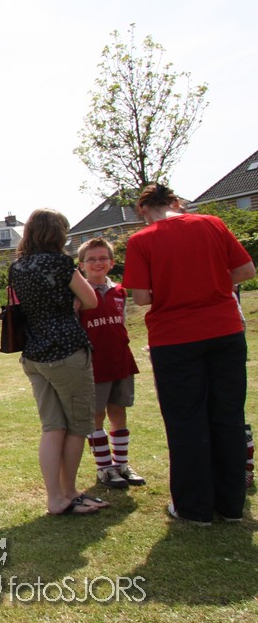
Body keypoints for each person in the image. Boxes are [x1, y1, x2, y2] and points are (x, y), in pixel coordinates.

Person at [123, 183, 255, 524]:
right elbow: (246, 271)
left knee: (186, 420)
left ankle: (195, 508)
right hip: (224, 330)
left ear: (143, 210)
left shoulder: (141, 240)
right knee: (228, 415)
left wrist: (175, 289)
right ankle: (231, 505)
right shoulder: (212, 223)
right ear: (176, 202)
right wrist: (211, 283)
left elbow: (141, 297)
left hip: (175, 338)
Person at [8, 209, 103, 516]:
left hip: (33, 354)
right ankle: (69, 492)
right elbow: (91, 300)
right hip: (66, 351)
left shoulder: (17, 267)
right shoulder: (61, 264)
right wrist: (70, 302)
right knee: (77, 426)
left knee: (52, 427)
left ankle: (55, 497)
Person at [76, 238, 145, 490]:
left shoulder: (119, 291)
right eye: (91, 259)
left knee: (119, 410)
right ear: (81, 265)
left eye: (103, 258)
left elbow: (121, 322)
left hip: (120, 358)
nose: (98, 263)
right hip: (95, 363)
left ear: (112, 262)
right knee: (97, 414)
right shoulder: (78, 294)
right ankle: (104, 467)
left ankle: (122, 464)